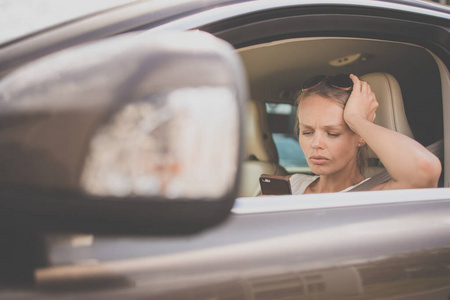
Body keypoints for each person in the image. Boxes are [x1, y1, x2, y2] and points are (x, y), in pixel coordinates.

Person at [289, 73, 441, 194]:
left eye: (333, 133)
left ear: (361, 137)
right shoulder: (291, 185)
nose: (316, 144)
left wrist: (357, 119)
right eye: (307, 132)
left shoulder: (370, 194)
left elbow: (423, 170)